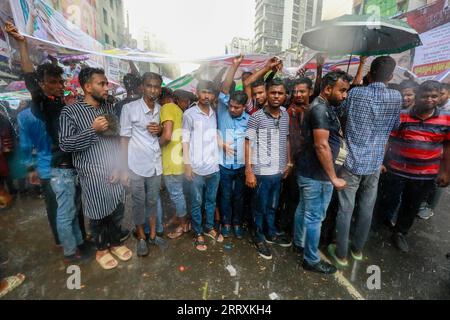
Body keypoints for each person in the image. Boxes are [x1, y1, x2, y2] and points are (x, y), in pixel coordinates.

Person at [5, 21, 89, 262]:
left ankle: (78, 243)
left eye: (60, 82)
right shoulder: (41, 104)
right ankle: (70, 251)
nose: (59, 86)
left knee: (71, 209)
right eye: (52, 82)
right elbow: (30, 76)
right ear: (42, 86)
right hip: (57, 168)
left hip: (67, 165)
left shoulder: (60, 103)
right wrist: (22, 45)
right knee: (64, 212)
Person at [328, 56, 403, 268]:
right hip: (375, 162)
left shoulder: (356, 93)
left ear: (370, 73)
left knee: (346, 208)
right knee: (367, 207)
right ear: (390, 76)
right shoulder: (396, 97)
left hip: (351, 161)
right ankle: (357, 249)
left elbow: (339, 113)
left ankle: (341, 254)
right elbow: (395, 125)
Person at [59, 67, 132, 270]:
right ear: (87, 86)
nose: (106, 87)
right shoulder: (70, 111)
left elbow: (117, 139)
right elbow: (65, 144)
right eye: (102, 83)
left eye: (106, 83)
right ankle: (101, 249)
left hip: (114, 170)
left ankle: (115, 243)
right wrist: (93, 130)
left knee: (117, 209)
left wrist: (120, 167)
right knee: (99, 214)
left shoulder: (109, 108)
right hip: (91, 174)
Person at [379, 81, 450, 252]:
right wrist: (381, 162)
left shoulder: (446, 118)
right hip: (396, 169)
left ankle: (400, 232)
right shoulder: (402, 115)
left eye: (434, 96)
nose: (429, 100)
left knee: (412, 205)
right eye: (425, 96)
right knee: (387, 199)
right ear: (417, 97)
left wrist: (446, 172)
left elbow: (448, 147)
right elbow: (388, 140)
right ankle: (378, 226)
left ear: (440, 97)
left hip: (425, 174)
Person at [294, 71, 351, 274]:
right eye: (342, 90)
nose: (344, 96)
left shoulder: (324, 106)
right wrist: (333, 177)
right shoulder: (319, 109)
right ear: (328, 89)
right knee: (314, 217)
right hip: (317, 176)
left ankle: (299, 243)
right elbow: (322, 146)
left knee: (304, 210)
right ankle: (310, 259)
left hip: (311, 172)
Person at [120, 72, 167, 257]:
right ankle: (141, 237)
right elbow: (124, 140)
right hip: (136, 165)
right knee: (138, 203)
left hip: (155, 164)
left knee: (152, 201)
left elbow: (162, 135)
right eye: (149, 85)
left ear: (160, 89)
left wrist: (160, 129)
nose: (153, 90)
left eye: (156, 86)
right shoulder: (129, 109)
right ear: (142, 87)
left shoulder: (160, 109)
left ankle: (153, 235)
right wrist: (124, 168)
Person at [245, 78, 293, 260]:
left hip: (278, 170)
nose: (276, 96)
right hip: (261, 171)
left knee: (273, 205)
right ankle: (258, 236)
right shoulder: (256, 117)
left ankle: (271, 233)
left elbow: (287, 138)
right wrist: (248, 170)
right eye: (273, 92)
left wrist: (289, 163)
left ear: (285, 95)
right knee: (259, 206)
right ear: (266, 92)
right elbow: (247, 143)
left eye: (280, 93)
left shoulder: (285, 114)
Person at [182, 80, 222, 251]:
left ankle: (209, 227)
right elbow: (185, 140)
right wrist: (187, 164)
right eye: (204, 92)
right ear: (197, 92)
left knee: (211, 201)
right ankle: (198, 232)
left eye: (210, 92)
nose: (207, 96)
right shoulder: (189, 114)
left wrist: (224, 144)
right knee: (196, 202)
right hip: (196, 168)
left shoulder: (214, 113)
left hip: (213, 167)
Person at [217, 55, 249, 239]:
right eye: (231, 106)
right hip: (224, 165)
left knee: (239, 196)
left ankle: (237, 223)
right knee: (225, 196)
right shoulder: (223, 110)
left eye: (237, 107)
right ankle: (226, 223)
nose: (233, 109)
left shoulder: (249, 119)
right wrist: (234, 66)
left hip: (241, 165)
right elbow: (224, 87)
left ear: (244, 107)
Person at [282, 77, 313, 245]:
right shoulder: (291, 111)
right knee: (292, 198)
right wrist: (290, 162)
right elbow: (290, 139)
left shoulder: (312, 108)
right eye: (295, 91)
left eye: (302, 91)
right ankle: (291, 232)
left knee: (303, 200)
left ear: (310, 91)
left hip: (307, 161)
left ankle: (298, 232)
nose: (298, 94)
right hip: (294, 161)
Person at [159, 89, 191, 239]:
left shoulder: (167, 107)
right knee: (178, 194)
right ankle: (178, 217)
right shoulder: (180, 111)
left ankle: (183, 224)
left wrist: (153, 145)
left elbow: (167, 136)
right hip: (179, 159)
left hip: (171, 162)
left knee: (176, 195)